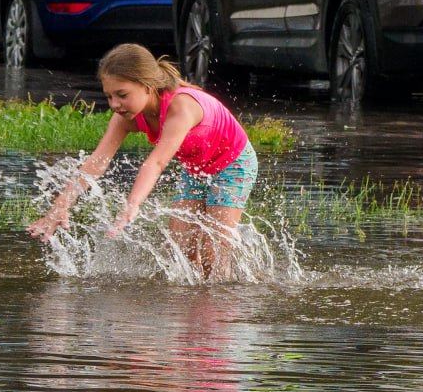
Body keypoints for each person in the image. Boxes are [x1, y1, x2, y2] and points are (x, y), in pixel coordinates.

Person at [27, 43, 258, 277]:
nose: (115, 104)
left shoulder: (181, 107)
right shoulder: (124, 117)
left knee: (213, 251)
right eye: (109, 96)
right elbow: (97, 162)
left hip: (234, 163)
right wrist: (60, 206)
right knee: (179, 248)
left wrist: (133, 204)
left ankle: (221, 304)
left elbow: (156, 163)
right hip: (196, 167)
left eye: (122, 95)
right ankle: (193, 308)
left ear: (148, 87)